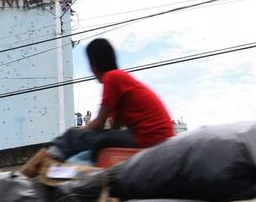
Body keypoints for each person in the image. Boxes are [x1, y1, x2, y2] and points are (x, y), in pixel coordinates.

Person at [22, 38, 175, 177]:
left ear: (93, 66)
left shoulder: (112, 78)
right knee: (96, 143)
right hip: (155, 138)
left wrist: (78, 133)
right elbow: (114, 128)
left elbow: (99, 124)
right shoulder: (121, 79)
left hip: (148, 138)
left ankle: (45, 163)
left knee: (71, 135)